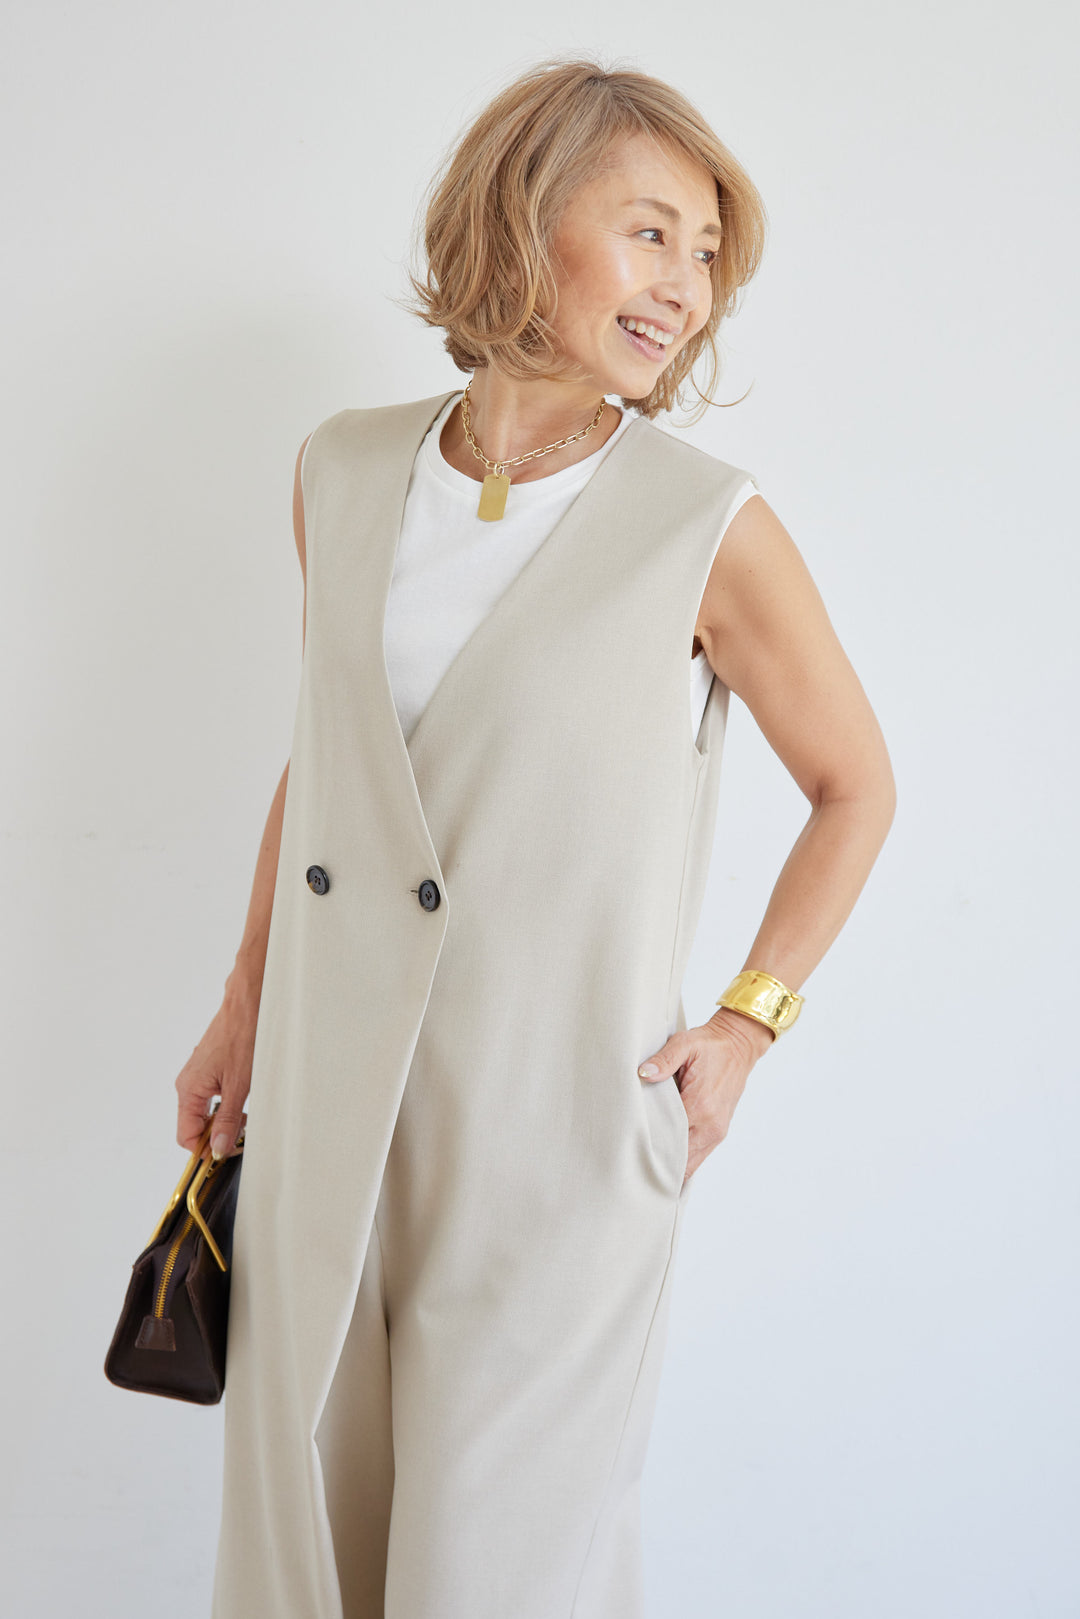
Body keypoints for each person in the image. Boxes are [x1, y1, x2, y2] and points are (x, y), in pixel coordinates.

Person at [176, 55, 896, 1619]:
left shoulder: (706, 523)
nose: (686, 287)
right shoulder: (342, 469)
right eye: (650, 233)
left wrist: (747, 1024)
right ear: (521, 219)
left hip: (557, 1119)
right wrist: (243, 1004)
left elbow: (857, 786)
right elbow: (334, 763)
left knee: (500, 1567)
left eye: (707, 254)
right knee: (309, 1547)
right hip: (324, 1092)